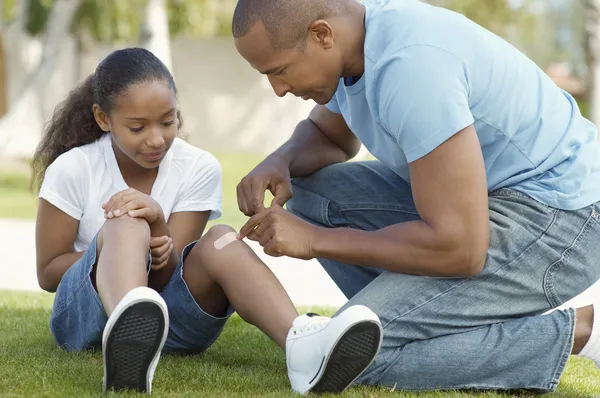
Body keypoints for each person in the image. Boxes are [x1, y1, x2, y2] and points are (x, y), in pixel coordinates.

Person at [232, 0, 600, 393]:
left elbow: (461, 248)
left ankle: (584, 330)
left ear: (322, 35)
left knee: (352, 358)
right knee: (311, 191)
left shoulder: (411, 69)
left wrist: (313, 241)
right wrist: (281, 161)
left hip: (563, 215)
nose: (278, 89)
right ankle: (423, 317)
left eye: (280, 70)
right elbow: (329, 137)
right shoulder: (353, 37)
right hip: (478, 205)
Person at [32, 47, 384, 396]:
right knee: (126, 223)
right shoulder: (74, 168)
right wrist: (122, 246)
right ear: (103, 118)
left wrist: (157, 226)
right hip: (87, 318)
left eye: (168, 121)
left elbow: (172, 272)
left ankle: (303, 345)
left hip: (174, 321)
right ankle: (126, 335)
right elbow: (48, 272)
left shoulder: (198, 167)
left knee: (221, 239)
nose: (156, 139)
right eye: (137, 127)